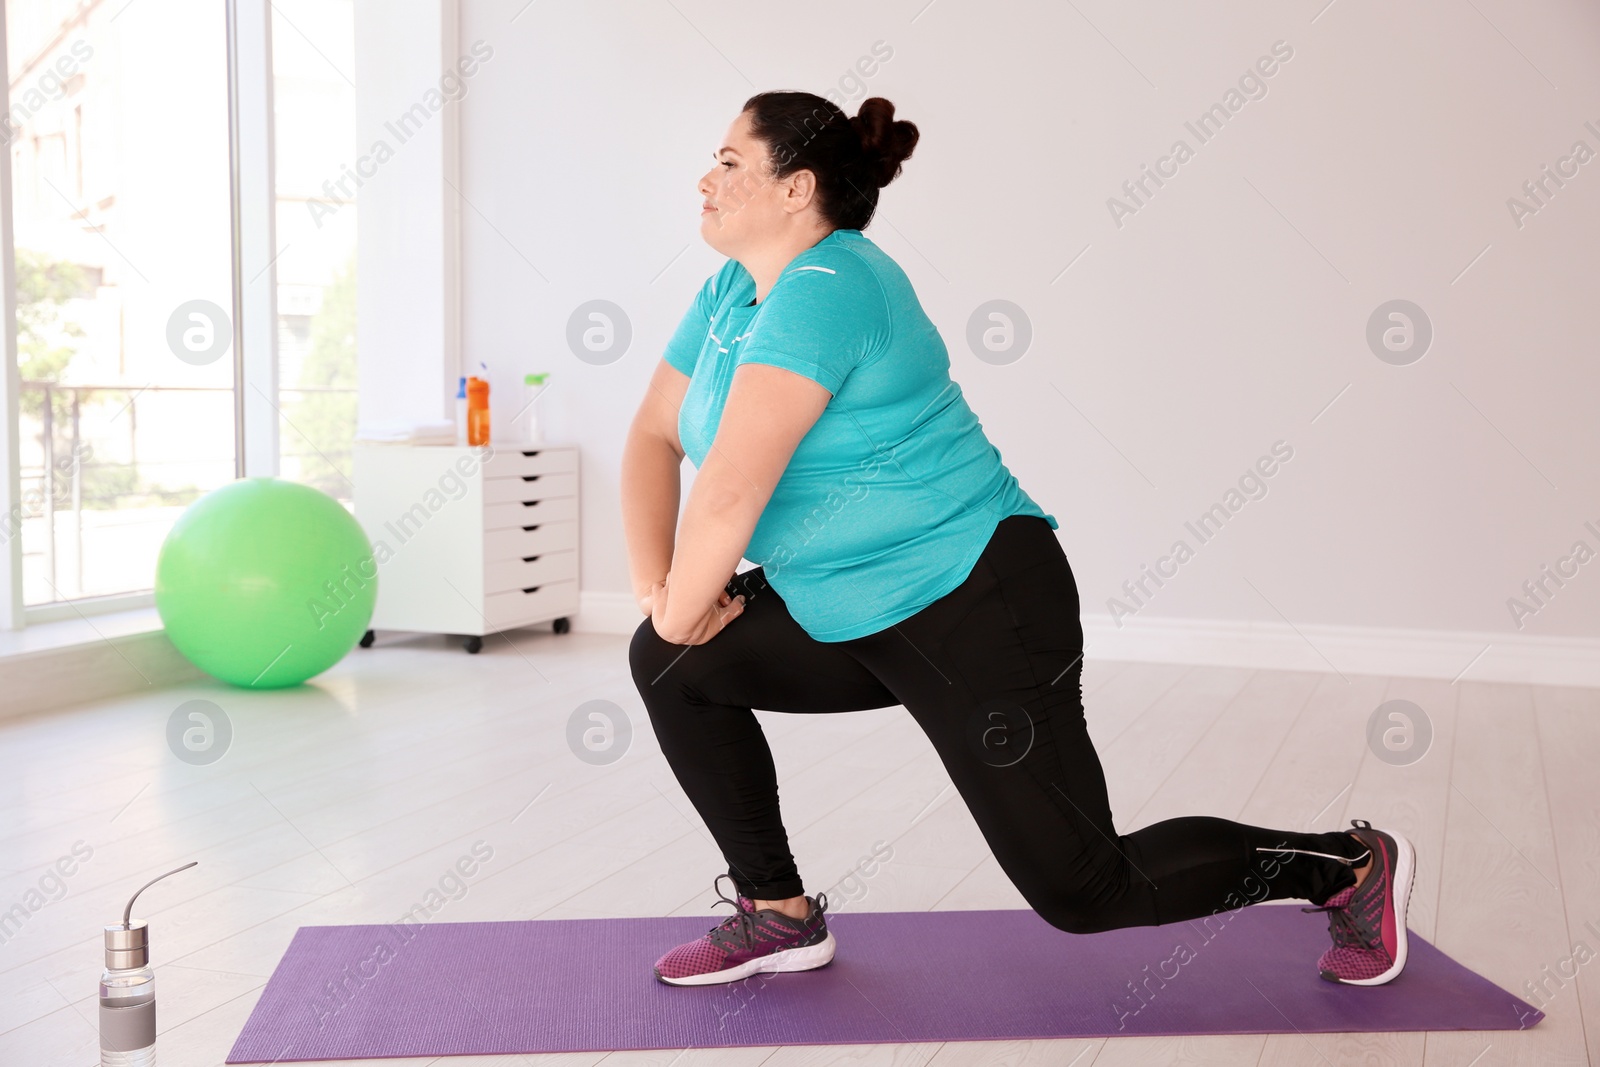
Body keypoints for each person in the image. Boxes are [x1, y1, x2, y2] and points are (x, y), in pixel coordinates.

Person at [621, 90, 1415, 990]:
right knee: (670, 660)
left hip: (977, 604)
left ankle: (1347, 866)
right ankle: (777, 913)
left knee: (1086, 888)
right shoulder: (733, 292)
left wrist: (687, 606)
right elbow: (652, 435)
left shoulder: (834, 287)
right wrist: (662, 596)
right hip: (845, 606)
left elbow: (728, 489)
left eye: (728, 163)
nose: (706, 179)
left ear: (797, 187)